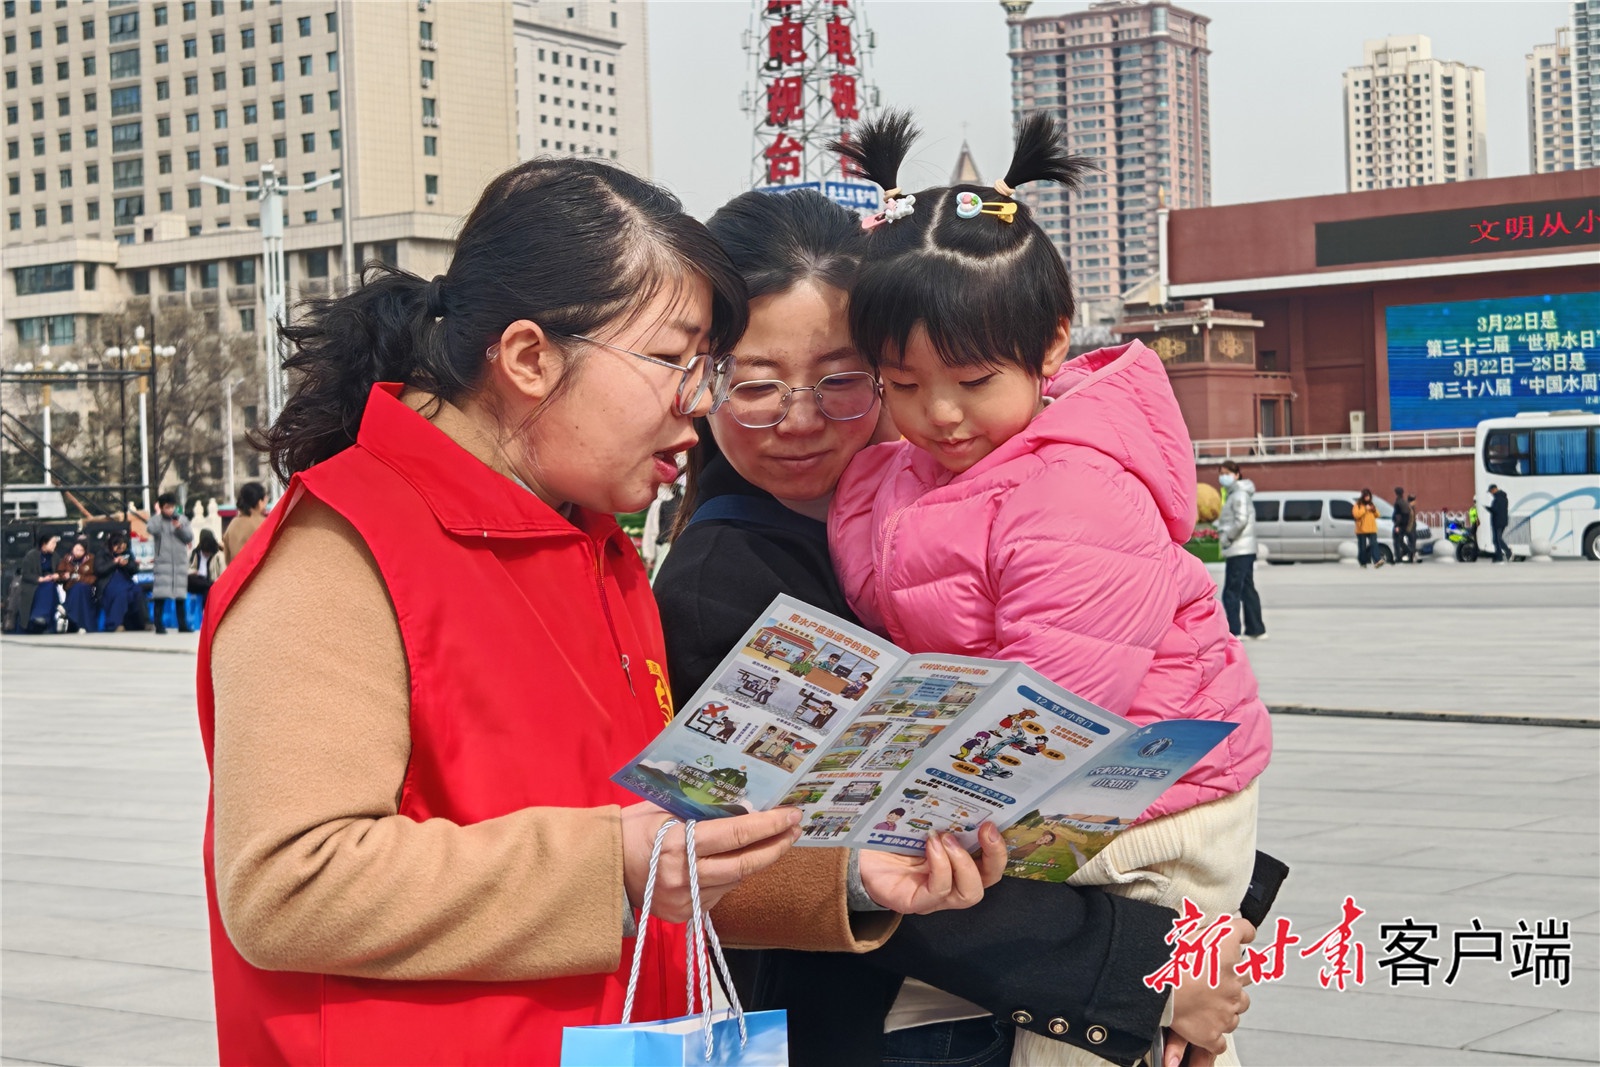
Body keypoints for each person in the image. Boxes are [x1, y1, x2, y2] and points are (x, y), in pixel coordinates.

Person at [199, 157, 997, 1067]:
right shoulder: (344, 554)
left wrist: (850, 876)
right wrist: (604, 862)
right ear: (531, 357)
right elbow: (286, 886)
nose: (698, 399)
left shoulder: (596, 550)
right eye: (670, 358)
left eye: (704, 365)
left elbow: (658, 852)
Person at [655, 185, 1255, 1067]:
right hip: (902, 1011)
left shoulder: (973, 497)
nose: (801, 417)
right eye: (754, 384)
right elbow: (782, 858)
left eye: (845, 378)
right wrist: (1151, 975)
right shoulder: (724, 576)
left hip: (1067, 935)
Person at [827, 112, 1273, 1067]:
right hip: (1053, 796)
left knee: (1101, 1036)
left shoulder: (1072, 489)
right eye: (900, 384)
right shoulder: (893, 475)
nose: (938, 413)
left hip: (1152, 806)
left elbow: (1055, 708)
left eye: (973, 379)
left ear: (1053, 344)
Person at [1216, 461, 1267, 639]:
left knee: (1231, 591)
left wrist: (1227, 536)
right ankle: (1256, 629)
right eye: (1221, 473)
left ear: (1237, 474)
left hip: (1239, 548)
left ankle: (1233, 631)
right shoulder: (1236, 493)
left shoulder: (1238, 495)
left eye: (1227, 473)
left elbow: (1241, 520)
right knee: (1246, 588)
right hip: (1244, 548)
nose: (1223, 477)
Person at [147, 493, 194, 634]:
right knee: (160, 595)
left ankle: (183, 624)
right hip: (163, 562)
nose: (170, 510)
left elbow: (189, 537)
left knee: (180, 595)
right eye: (167, 507)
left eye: (172, 507)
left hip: (179, 562)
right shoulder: (156, 520)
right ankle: (158, 624)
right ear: (161, 508)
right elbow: (151, 529)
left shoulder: (182, 519)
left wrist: (179, 527)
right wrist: (158, 516)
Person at [94, 533, 146, 632]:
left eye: (123, 547)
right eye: (119, 547)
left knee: (138, 591)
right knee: (121, 594)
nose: (121, 549)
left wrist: (126, 564)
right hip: (108, 582)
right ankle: (114, 624)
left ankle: (143, 622)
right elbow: (99, 570)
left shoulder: (127, 553)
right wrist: (114, 563)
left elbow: (134, 570)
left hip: (125, 581)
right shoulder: (102, 554)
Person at [15, 533, 62, 633]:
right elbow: (26, 574)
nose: (55, 545)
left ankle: (45, 619)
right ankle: (38, 616)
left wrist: (57, 576)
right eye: (53, 543)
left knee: (50, 587)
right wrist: (39, 579)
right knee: (47, 589)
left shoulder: (55, 556)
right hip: (33, 584)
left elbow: (60, 571)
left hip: (50, 583)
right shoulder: (31, 555)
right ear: (44, 544)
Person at [221, 481, 268, 563]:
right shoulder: (264, 524)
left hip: (237, 574)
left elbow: (227, 558)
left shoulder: (232, 525)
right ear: (260, 502)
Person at [61, 538, 100, 632]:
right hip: (71, 586)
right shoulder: (66, 559)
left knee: (79, 588)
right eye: (76, 550)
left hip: (86, 585)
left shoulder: (91, 559)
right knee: (76, 589)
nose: (78, 552)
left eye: (81, 550)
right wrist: (64, 576)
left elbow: (94, 576)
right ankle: (78, 624)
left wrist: (80, 578)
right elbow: (59, 573)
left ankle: (67, 608)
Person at [189, 528, 226, 608]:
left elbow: (224, 575)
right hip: (199, 581)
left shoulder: (219, 556)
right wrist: (194, 572)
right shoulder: (197, 553)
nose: (205, 554)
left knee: (207, 590)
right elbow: (191, 567)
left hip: (212, 584)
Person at [1352, 489, 1380, 569]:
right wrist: (1365, 509)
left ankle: (1377, 560)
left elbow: (1378, 515)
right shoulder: (1358, 505)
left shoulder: (1371, 504)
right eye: (1366, 496)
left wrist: (1374, 510)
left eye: (1369, 496)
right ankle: (1363, 562)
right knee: (1362, 547)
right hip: (1361, 529)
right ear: (1363, 496)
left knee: (1374, 544)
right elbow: (1356, 515)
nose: (1368, 498)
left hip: (1372, 528)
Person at [1488, 483, 1511, 563]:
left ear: (1494, 489)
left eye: (1491, 491)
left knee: (1497, 539)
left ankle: (1505, 553)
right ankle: (1499, 556)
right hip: (1501, 521)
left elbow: (1496, 510)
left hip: (1498, 521)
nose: (1491, 493)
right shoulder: (1502, 497)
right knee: (1496, 539)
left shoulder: (1499, 498)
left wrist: (1489, 509)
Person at [1391, 487, 1412, 564]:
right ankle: (1408, 552)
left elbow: (1398, 515)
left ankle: (1399, 556)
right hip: (1404, 524)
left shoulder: (1398, 502)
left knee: (1397, 541)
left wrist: (1397, 525)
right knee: (1400, 541)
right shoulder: (1404, 502)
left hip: (1399, 524)